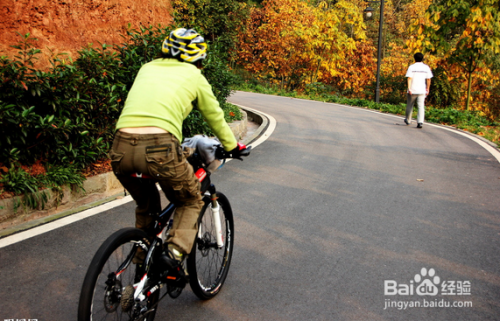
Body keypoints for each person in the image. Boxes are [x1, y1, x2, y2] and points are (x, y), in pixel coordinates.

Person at [109, 28, 243, 274]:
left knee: (147, 207)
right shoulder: (194, 76)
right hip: (160, 147)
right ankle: (173, 255)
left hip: (120, 147)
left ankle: (142, 261)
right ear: (198, 57)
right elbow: (215, 115)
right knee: (190, 199)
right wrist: (233, 146)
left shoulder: (147, 68)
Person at [404, 52, 433, 128]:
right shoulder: (426, 67)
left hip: (413, 90)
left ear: (415, 59)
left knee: (410, 105)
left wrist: (409, 88)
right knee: (421, 106)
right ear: (422, 58)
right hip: (422, 90)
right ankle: (420, 122)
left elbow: (409, 78)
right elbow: (428, 79)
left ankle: (408, 119)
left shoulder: (412, 67)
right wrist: (427, 88)